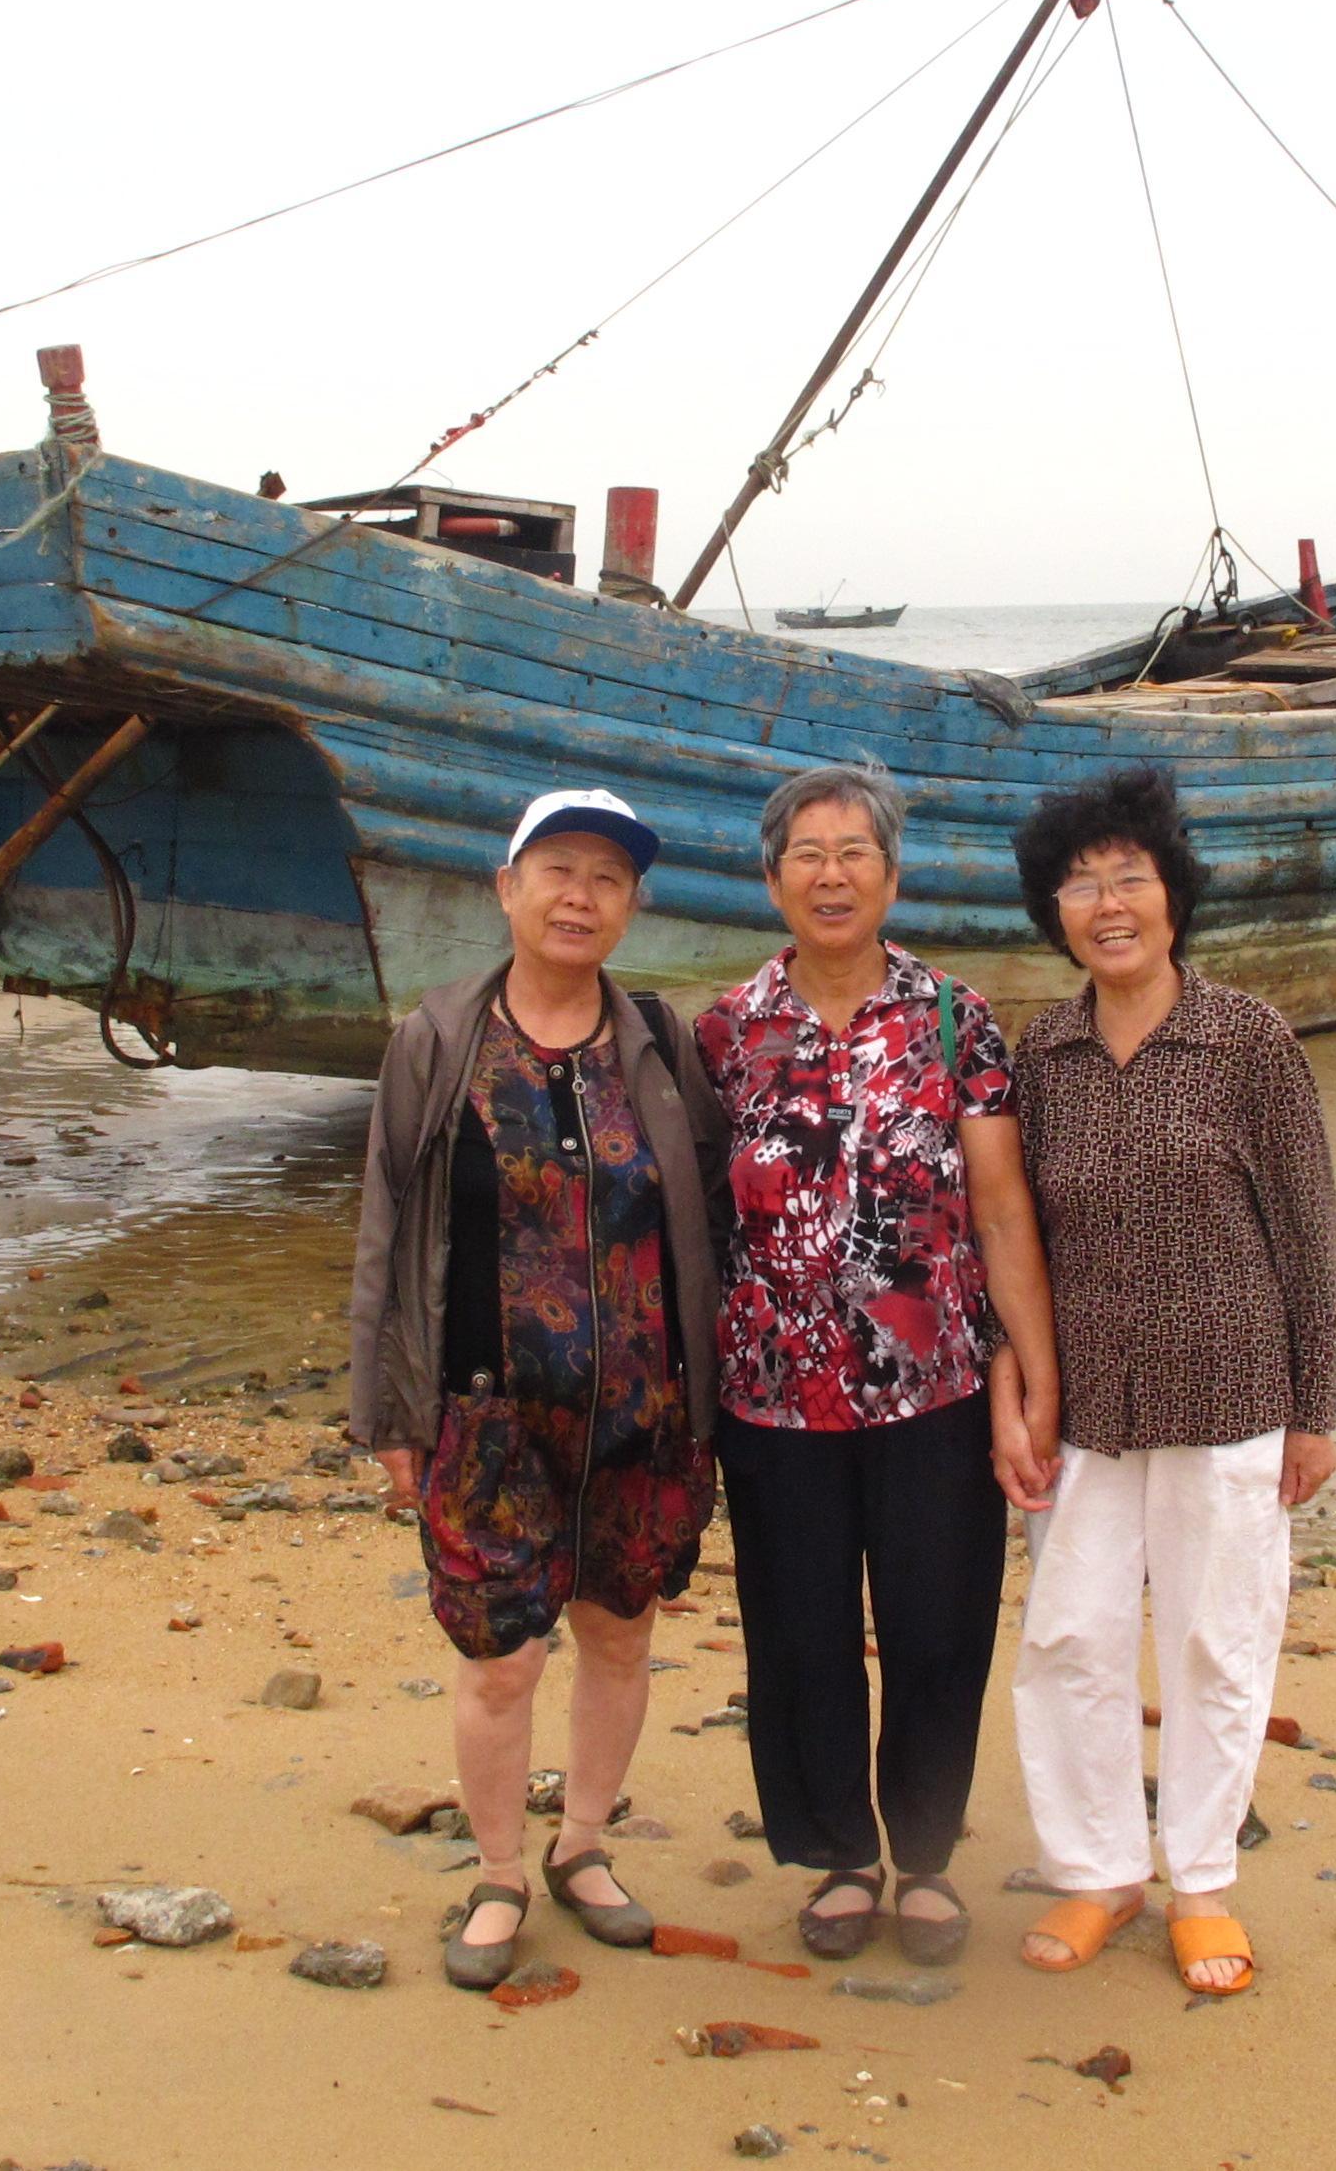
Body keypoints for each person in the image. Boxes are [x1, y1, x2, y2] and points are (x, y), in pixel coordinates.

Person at [346, 786, 728, 1991]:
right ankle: (502, 1867)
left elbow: (709, 1221)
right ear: (506, 888)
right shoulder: (439, 1035)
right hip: (486, 1413)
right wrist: (391, 1408)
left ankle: (586, 1845)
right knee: (500, 1657)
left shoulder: (661, 1043)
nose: (581, 895)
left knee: (621, 1633)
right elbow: (386, 1228)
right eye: (556, 869)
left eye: (608, 878)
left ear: (630, 907)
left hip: (641, 1416)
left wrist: (716, 1400)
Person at [694, 763, 1059, 1967]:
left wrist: (1032, 1372)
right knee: (797, 1627)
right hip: (771, 1394)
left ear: (894, 877)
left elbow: (1002, 1212)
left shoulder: (959, 1019)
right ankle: (840, 1855)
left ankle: (926, 1856)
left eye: (857, 851)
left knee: (936, 1621)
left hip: (934, 1388)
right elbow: (693, 1227)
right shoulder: (724, 1033)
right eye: (808, 851)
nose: (833, 872)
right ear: (772, 877)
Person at [1002, 765, 1336, 1998]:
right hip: (1083, 1400)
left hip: (1233, 1389)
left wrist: (1317, 1407)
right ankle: (1097, 1869)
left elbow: (1309, 1228)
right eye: (1080, 884)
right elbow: (1013, 1233)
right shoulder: (1042, 1050)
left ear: (1172, 895)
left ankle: (1199, 1880)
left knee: (1216, 1639)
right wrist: (1011, 1383)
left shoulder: (1246, 1037)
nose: (1107, 903)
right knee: (1069, 1637)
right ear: (1055, 913)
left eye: (1128, 877)